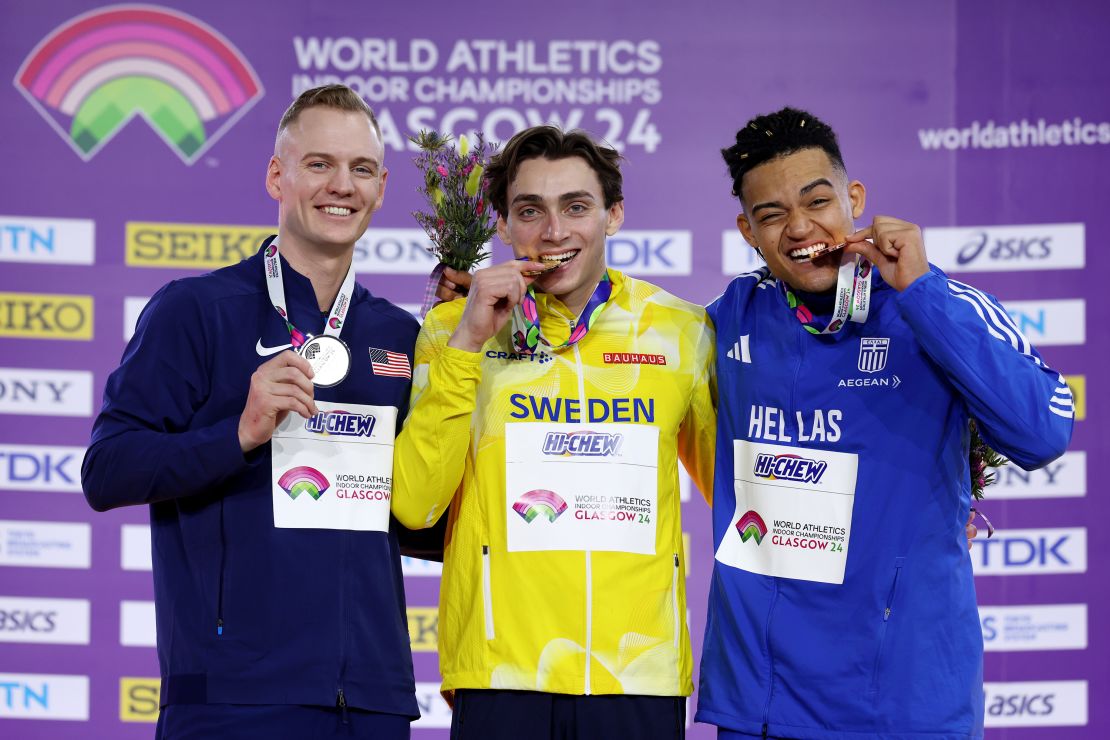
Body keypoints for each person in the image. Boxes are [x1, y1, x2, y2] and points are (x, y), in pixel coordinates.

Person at [696, 107, 1074, 739]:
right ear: (747, 231)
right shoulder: (728, 319)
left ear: (855, 198)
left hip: (906, 703)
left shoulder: (933, 303)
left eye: (816, 201)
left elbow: (1040, 434)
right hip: (762, 704)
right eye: (771, 215)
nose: (799, 227)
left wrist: (922, 291)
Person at [82, 85, 423, 739]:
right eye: (318, 164)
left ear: (381, 187)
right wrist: (238, 432)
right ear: (277, 175)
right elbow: (108, 469)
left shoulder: (399, 336)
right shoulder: (196, 310)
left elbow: (413, 509)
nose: (341, 186)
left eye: (360, 169)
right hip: (232, 698)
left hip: (373, 702)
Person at [392, 126, 717, 740]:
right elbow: (414, 503)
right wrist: (466, 342)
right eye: (529, 211)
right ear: (503, 224)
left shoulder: (680, 331)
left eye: (576, 207)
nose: (554, 231)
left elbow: (735, 492)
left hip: (636, 672)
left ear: (613, 215)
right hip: (501, 670)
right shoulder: (451, 330)